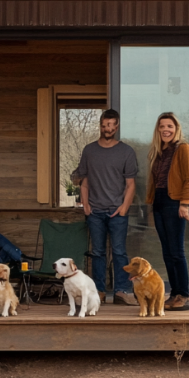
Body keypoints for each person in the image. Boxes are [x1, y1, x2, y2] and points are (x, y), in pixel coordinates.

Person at [71, 108, 139, 306]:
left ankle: (121, 291)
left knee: (119, 252)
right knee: (98, 253)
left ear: (117, 127)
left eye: (111, 125)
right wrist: (85, 205)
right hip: (95, 212)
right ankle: (98, 291)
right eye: (104, 125)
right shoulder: (89, 150)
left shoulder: (126, 151)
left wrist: (124, 207)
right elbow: (84, 180)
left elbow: (131, 184)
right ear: (100, 125)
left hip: (117, 212)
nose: (107, 128)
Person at [145, 112, 189, 311]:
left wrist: (184, 204)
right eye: (162, 126)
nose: (165, 130)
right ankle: (174, 293)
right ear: (158, 130)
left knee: (177, 252)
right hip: (159, 203)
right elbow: (155, 182)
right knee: (167, 253)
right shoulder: (158, 152)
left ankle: (183, 295)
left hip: (174, 203)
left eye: (169, 126)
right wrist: (151, 203)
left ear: (176, 129)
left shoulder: (183, 149)